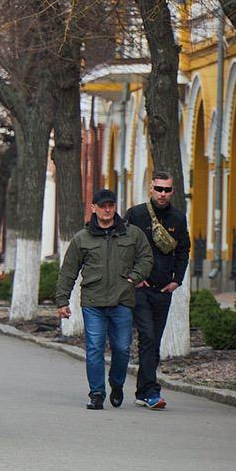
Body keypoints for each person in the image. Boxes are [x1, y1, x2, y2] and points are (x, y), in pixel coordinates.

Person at [55, 188, 154, 411]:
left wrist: (134, 277)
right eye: (102, 206)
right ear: (94, 208)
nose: (107, 209)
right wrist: (62, 301)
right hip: (93, 303)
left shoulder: (132, 234)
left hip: (122, 301)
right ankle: (97, 392)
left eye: (110, 205)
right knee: (94, 349)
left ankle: (116, 383)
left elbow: (146, 258)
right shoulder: (82, 238)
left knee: (121, 348)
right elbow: (69, 270)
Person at [125, 172, 189, 411]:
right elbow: (122, 246)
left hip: (164, 290)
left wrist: (177, 281)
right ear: (150, 188)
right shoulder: (136, 214)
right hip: (140, 289)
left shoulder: (178, 218)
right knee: (148, 337)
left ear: (173, 191)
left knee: (153, 340)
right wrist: (133, 277)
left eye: (167, 190)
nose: (163, 194)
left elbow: (183, 250)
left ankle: (144, 391)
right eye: (159, 189)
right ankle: (151, 391)